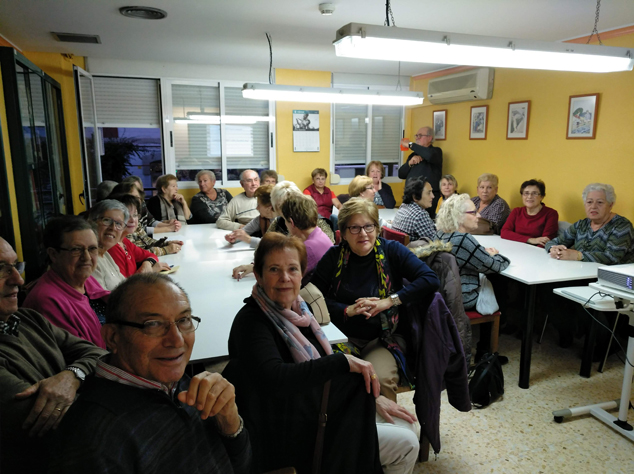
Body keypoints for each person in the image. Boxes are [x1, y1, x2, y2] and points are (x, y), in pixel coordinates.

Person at [224, 233, 419, 474]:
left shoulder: (300, 312)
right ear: (258, 275)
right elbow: (276, 378)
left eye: (292, 269)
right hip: (291, 435)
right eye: (274, 269)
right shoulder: (252, 322)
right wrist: (342, 362)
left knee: (407, 424)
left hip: (311, 413)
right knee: (407, 444)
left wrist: (372, 397)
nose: (285, 278)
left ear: (302, 274)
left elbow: (316, 369)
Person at [49, 273, 252, 474]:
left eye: (183, 320)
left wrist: (230, 423)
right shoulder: (93, 442)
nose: (177, 340)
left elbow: (239, 466)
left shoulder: (171, 380)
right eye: (152, 324)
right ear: (112, 337)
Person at [312, 198, 440, 402]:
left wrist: (389, 301)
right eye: (354, 228)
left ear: (377, 229)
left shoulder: (392, 251)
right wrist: (346, 310)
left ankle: (386, 423)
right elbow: (312, 299)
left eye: (368, 226)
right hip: (342, 338)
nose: (363, 233)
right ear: (343, 233)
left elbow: (430, 279)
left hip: (383, 339)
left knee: (379, 379)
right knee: (334, 378)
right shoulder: (334, 256)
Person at [0, 237, 106, 474]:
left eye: (16, 266)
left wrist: (72, 375)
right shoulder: (43, 302)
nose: (18, 279)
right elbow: (70, 424)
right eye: (1, 269)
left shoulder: (27, 319)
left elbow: (99, 353)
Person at [545, 183, 634, 349]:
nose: (593, 206)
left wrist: (579, 255)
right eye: (589, 202)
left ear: (610, 205)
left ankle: (605, 343)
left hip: (611, 281)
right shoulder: (582, 224)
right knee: (548, 288)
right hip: (579, 274)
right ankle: (566, 331)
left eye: (600, 202)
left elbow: (613, 257)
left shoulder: (622, 226)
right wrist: (553, 248)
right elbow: (554, 241)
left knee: (582, 295)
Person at [435, 194, 511, 361]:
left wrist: (483, 254)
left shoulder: (441, 234)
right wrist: (496, 255)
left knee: (494, 281)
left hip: (443, 293)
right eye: (473, 212)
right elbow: (496, 266)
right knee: (499, 282)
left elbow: (473, 255)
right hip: (462, 297)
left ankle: (486, 347)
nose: (479, 215)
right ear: (459, 216)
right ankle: (485, 352)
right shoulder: (463, 239)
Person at [23, 216, 110, 348]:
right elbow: (81, 353)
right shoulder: (47, 301)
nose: (86, 257)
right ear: (53, 254)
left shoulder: (86, 280)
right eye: (76, 249)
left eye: (92, 248)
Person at [110, 183, 183, 256]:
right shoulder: (121, 231)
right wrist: (166, 249)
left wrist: (165, 243)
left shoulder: (138, 214)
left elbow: (146, 239)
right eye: (132, 198)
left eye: (137, 197)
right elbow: (137, 254)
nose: (137, 201)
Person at [281, 193, 333, 284]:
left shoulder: (308, 248)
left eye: (285, 220)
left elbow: (286, 279)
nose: (285, 224)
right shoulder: (318, 233)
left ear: (291, 222)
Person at [107, 205, 170, 277]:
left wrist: (147, 263)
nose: (132, 220)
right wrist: (152, 271)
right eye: (127, 216)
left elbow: (150, 255)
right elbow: (126, 283)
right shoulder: (112, 247)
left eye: (135, 215)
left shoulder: (124, 241)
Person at [399, 126, 442, 217]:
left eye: (420, 135)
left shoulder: (436, 152)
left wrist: (410, 144)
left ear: (430, 138)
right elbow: (401, 174)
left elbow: (429, 155)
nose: (417, 138)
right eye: (416, 135)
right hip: (412, 199)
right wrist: (409, 163)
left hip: (428, 199)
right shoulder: (413, 155)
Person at [501, 179, 559, 246]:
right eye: (526, 193)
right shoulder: (516, 211)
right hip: (514, 247)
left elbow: (545, 242)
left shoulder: (551, 214)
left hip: (535, 251)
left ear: (542, 197)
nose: (529, 196)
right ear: (522, 196)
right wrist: (530, 240)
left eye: (534, 193)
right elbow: (504, 232)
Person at [87, 200, 128, 291]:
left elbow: (127, 285)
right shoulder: (89, 260)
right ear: (91, 222)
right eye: (106, 220)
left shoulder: (105, 254)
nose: (113, 227)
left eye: (118, 223)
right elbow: (101, 297)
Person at [392, 177, 437, 241]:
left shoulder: (403, 207)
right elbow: (436, 241)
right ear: (415, 197)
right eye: (428, 193)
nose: (433, 196)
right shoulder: (420, 215)